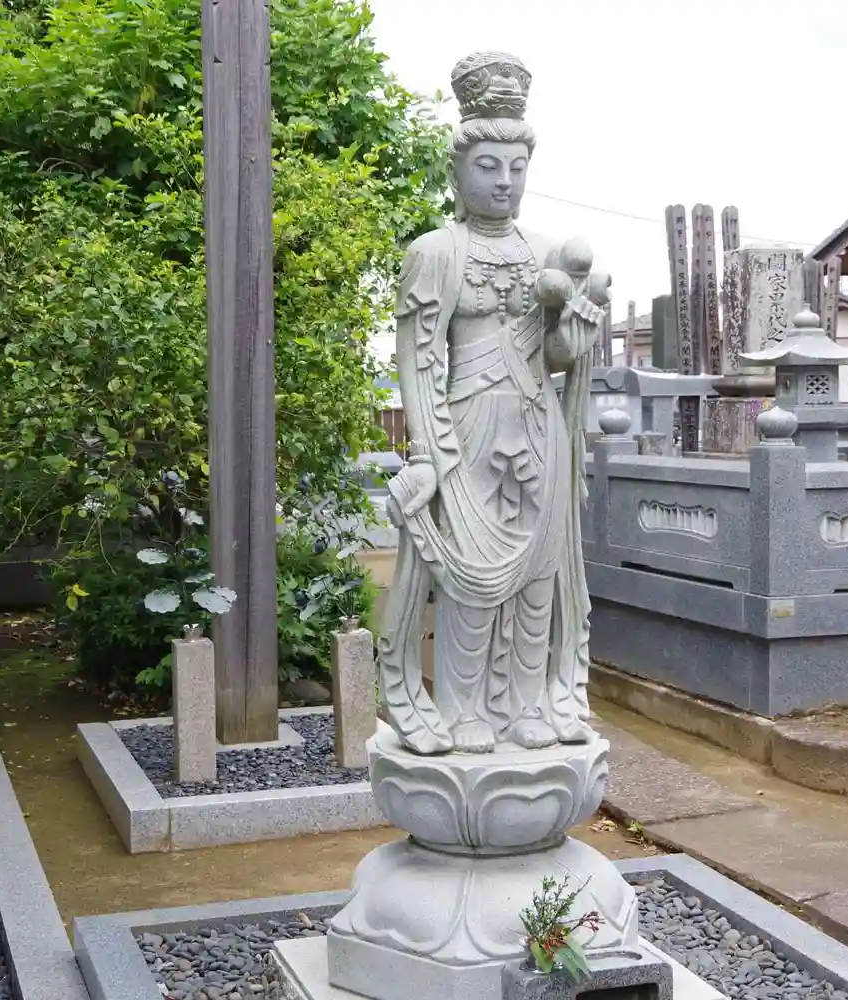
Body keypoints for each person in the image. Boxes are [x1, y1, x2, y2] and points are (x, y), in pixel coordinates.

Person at [379, 51, 610, 755]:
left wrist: (573, 334)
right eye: (488, 166)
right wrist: (426, 454)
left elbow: (557, 358)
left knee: (537, 576)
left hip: (538, 424)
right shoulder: (436, 253)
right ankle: (463, 708)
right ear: (457, 173)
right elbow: (419, 361)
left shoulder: (547, 252)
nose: (504, 180)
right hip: (469, 428)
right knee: (471, 578)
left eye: (516, 166)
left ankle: (528, 703)